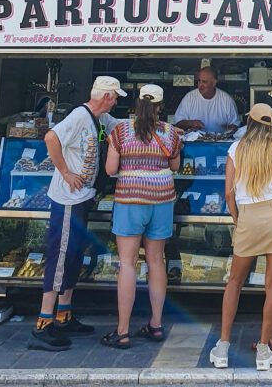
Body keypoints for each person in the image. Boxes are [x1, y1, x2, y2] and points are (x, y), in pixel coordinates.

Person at [28, 76, 126, 352]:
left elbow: (123, 128)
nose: (116, 101)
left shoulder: (101, 119)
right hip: (67, 199)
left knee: (73, 255)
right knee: (60, 257)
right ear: (106, 96)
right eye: (115, 97)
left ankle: (63, 314)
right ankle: (43, 324)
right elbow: (51, 138)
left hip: (82, 197)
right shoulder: (79, 116)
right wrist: (66, 172)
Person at [210, 103, 272, 373]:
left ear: (249, 122)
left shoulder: (236, 149)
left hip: (248, 216)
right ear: (270, 125)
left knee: (234, 281)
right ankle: (263, 349)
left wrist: (239, 220)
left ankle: (223, 345)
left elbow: (228, 194)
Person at [101, 84, 181, 350]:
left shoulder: (120, 131)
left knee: (127, 264)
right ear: (160, 106)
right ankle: (155, 325)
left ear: (137, 104)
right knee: (156, 261)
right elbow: (175, 166)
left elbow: (111, 169)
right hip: (161, 201)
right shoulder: (170, 133)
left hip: (130, 200)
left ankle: (122, 331)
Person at [174, 66, 240, 134]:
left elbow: (236, 125)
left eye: (204, 82)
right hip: (194, 142)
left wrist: (228, 128)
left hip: (221, 142)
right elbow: (177, 123)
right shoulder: (189, 98)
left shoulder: (226, 100)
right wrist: (190, 123)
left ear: (214, 83)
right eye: (199, 81)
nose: (200, 85)